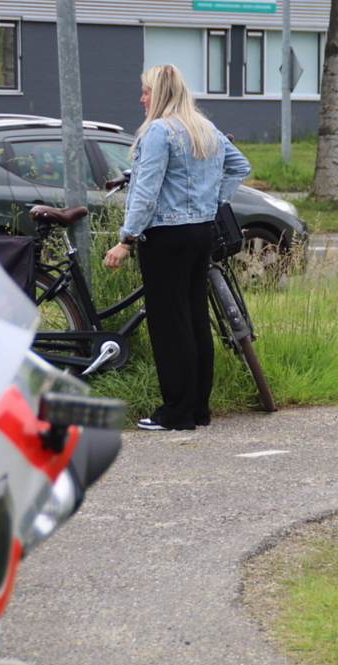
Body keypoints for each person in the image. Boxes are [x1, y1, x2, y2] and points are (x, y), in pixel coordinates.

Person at [104, 64, 251, 431]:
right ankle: (198, 410)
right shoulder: (204, 128)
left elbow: (146, 190)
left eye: (146, 91)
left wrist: (126, 239)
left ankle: (175, 413)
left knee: (171, 325)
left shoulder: (159, 131)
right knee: (195, 320)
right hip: (200, 233)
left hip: (166, 237)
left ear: (161, 93)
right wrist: (211, 202)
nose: (141, 98)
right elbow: (240, 165)